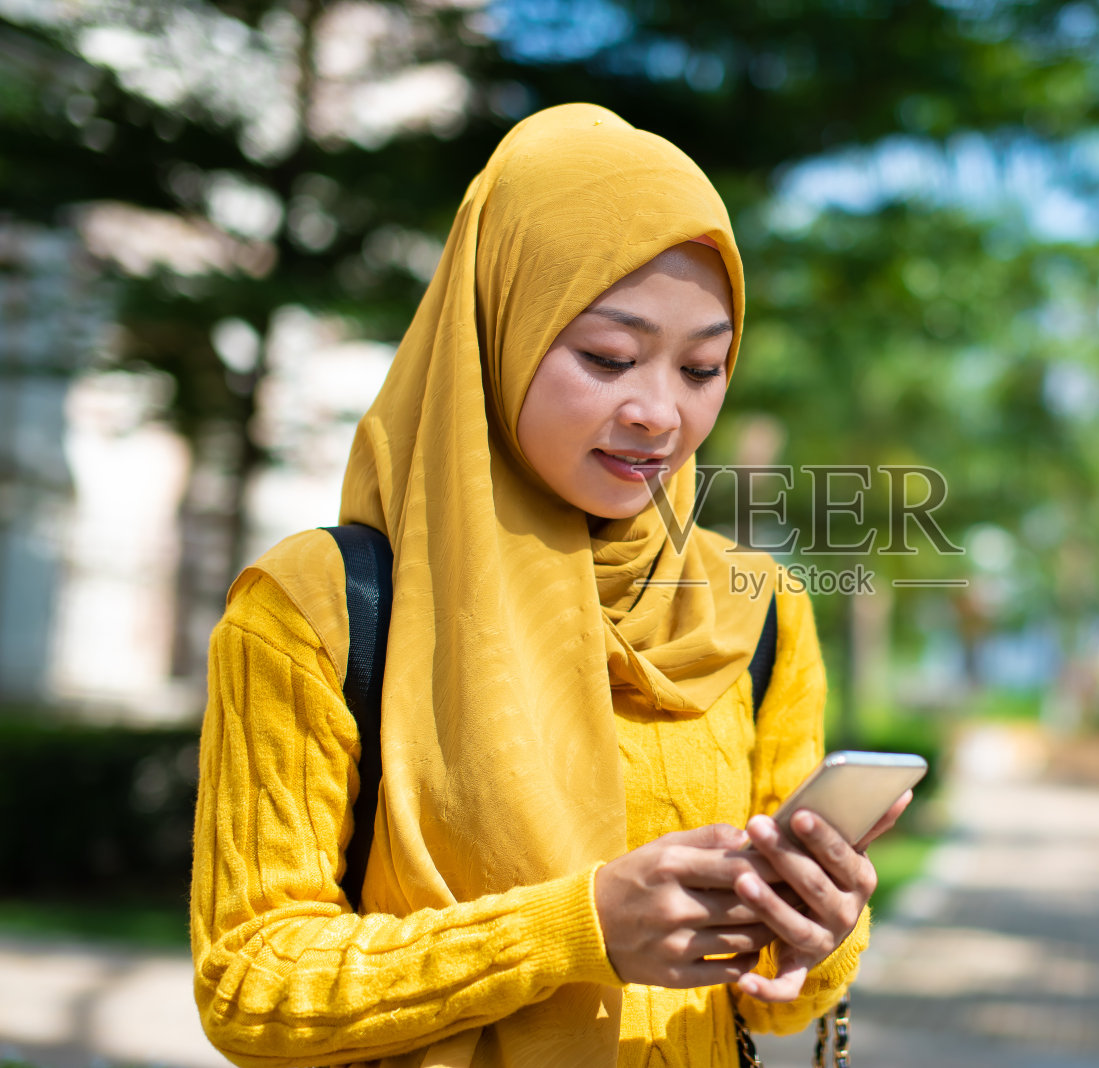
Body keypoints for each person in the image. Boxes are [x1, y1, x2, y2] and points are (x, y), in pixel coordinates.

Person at [188, 103, 908, 1068]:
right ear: (498, 330)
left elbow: (774, 1007)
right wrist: (578, 930)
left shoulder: (757, 609)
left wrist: (819, 930)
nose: (660, 413)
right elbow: (249, 982)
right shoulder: (319, 609)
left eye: (703, 367)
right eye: (608, 358)